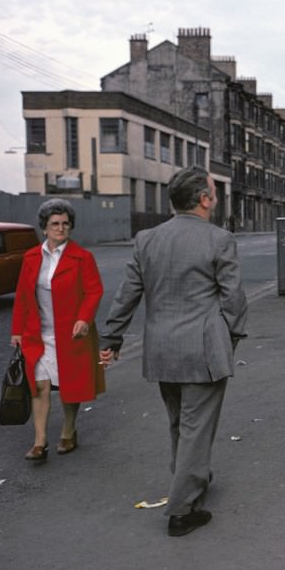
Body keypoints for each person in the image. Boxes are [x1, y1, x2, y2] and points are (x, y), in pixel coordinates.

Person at [99, 166, 247, 537]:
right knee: (197, 427)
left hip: (162, 349)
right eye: (213, 192)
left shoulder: (147, 239)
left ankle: (193, 479)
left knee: (180, 423)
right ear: (204, 199)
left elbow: (127, 293)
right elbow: (233, 298)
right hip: (202, 349)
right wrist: (231, 336)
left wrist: (111, 339)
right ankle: (181, 510)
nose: (215, 198)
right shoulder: (219, 239)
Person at [11, 198, 104, 462]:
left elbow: (94, 291)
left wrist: (84, 319)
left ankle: (69, 429)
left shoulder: (82, 257)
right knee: (39, 386)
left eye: (65, 224)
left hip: (71, 333)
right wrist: (16, 330)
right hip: (37, 334)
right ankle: (39, 442)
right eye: (55, 224)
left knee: (68, 387)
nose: (61, 228)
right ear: (44, 227)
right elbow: (22, 296)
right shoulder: (30, 258)